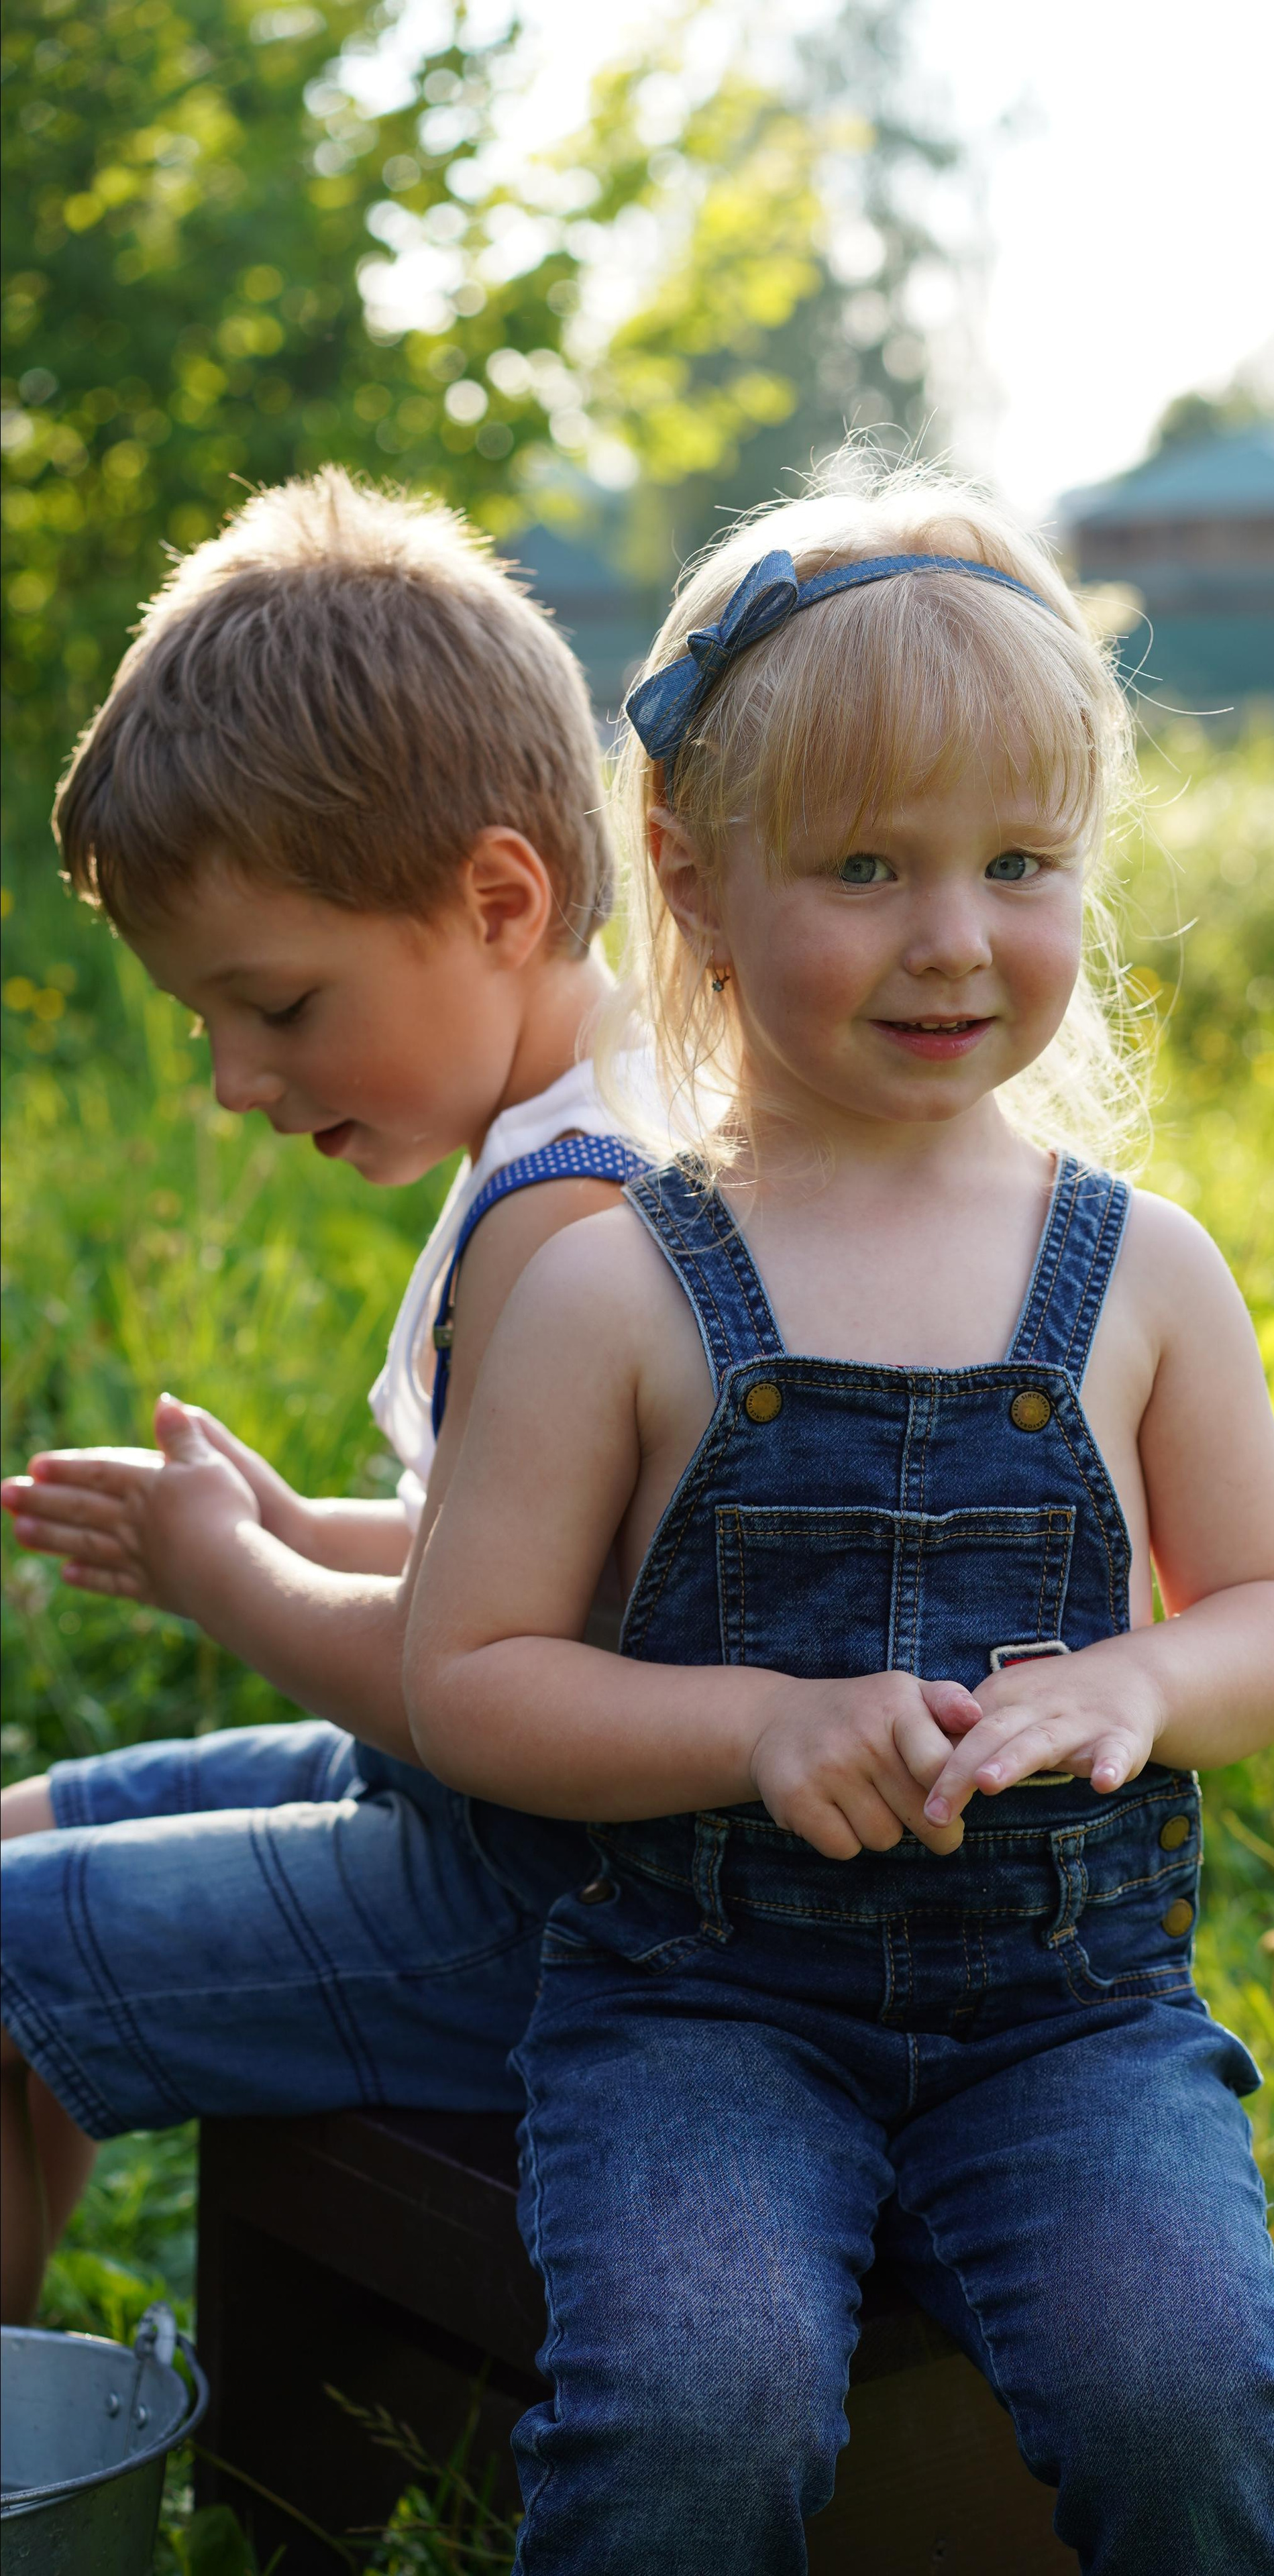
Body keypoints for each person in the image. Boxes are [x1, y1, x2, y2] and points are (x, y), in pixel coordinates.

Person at [403, 460, 1274, 2573]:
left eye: (1019, 862)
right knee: (695, 2409)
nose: (952, 937)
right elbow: (466, 1677)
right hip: (705, 2008)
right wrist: (752, 1728)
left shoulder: (1144, 1270)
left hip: (1073, 2010)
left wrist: (1143, 1679)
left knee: (1199, 2402)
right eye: (863, 864)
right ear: (696, 876)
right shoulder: (620, 1286)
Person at [0, 468, 651, 2326]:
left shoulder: (574, 1216)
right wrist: (297, 1526)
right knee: (27, 1831)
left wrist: (234, 1582)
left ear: (500, 899)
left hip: (551, 1915)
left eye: (276, 1008)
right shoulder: (586, 1117)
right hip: (504, 1848)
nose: (231, 1079)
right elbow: (534, 1569)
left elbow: (479, 1698)